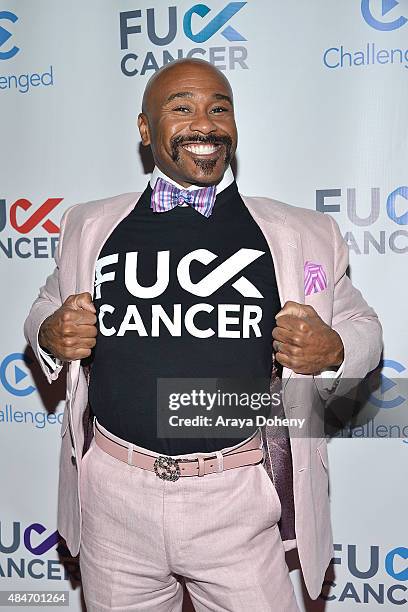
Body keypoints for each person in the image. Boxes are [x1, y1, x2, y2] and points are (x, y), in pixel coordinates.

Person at [24, 58, 382, 611]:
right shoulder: (88, 225)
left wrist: (334, 349)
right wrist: (50, 332)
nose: (206, 123)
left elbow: (365, 329)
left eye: (219, 108)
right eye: (182, 107)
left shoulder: (302, 233)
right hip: (113, 500)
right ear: (145, 130)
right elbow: (47, 306)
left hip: (237, 498)